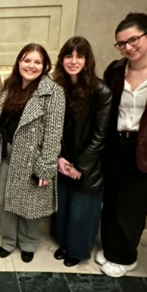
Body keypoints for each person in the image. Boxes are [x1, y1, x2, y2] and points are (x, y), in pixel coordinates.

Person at [98, 12, 147, 278]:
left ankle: (124, 256)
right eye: (121, 43)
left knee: (132, 205)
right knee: (110, 199)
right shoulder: (116, 69)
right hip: (116, 143)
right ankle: (111, 248)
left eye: (133, 40)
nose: (128, 48)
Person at [0, 43, 66, 262]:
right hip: (5, 155)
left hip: (32, 159)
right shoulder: (10, 85)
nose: (31, 66)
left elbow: (54, 133)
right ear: (19, 62)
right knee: (5, 200)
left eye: (37, 62)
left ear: (45, 65)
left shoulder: (53, 93)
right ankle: (8, 241)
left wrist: (46, 168)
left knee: (30, 205)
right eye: (27, 60)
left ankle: (28, 243)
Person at [50, 37, 112, 267]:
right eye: (68, 56)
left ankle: (77, 250)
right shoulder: (59, 88)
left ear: (87, 60)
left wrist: (81, 166)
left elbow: (100, 134)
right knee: (65, 207)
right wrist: (60, 157)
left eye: (79, 56)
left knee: (82, 211)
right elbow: (56, 126)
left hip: (88, 163)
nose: (73, 61)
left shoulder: (101, 91)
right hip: (64, 158)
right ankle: (65, 243)